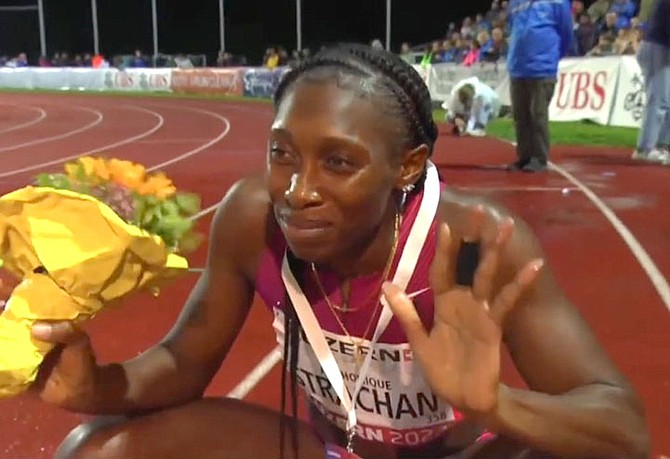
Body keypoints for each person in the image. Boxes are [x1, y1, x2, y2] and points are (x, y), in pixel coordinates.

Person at [18, 43, 649, 459]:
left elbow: (624, 426)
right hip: (330, 451)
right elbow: (184, 362)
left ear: (408, 167)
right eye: (281, 153)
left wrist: (496, 404)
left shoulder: (474, 241)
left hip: (460, 455)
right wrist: (93, 385)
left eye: (339, 162)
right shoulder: (253, 219)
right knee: (96, 446)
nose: (297, 191)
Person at [506, 0, 574, 172]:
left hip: (542, 68)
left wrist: (552, 56)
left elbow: (566, 32)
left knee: (537, 115)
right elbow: (512, 27)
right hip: (517, 67)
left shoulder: (557, 2)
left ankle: (539, 158)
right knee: (520, 116)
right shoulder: (515, 3)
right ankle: (524, 156)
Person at [631, 0, 670, 165]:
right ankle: (645, 148)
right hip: (658, 48)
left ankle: (661, 146)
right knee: (659, 99)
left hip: (659, 48)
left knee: (665, 101)